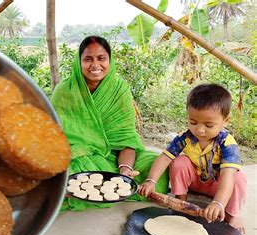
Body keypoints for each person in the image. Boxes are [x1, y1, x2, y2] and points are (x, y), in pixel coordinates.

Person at [51, 36, 169, 211]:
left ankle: (114, 181)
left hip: (116, 156)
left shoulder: (119, 89)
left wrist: (125, 170)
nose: (95, 65)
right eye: (88, 59)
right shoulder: (64, 90)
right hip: (80, 155)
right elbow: (56, 137)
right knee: (65, 172)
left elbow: (126, 138)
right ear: (79, 61)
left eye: (101, 58)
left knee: (154, 167)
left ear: (109, 60)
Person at [138, 84, 247, 233]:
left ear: (225, 121)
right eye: (193, 122)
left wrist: (218, 202)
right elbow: (164, 158)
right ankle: (180, 199)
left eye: (209, 125)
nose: (199, 130)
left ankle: (230, 214)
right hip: (196, 183)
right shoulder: (185, 137)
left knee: (239, 178)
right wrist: (151, 181)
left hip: (218, 186)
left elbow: (228, 176)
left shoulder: (227, 143)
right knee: (179, 162)